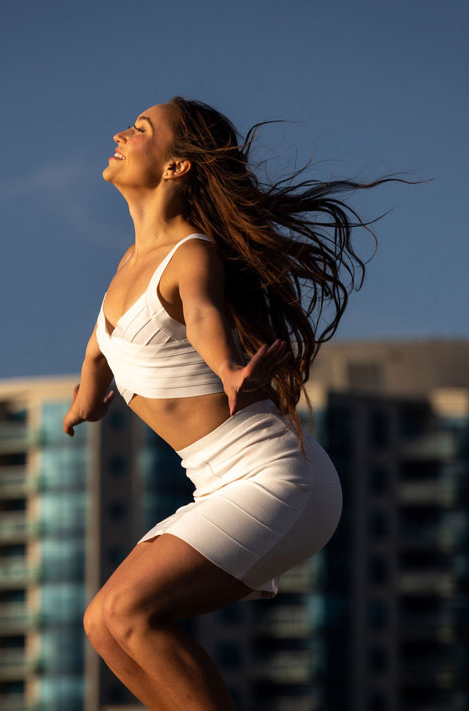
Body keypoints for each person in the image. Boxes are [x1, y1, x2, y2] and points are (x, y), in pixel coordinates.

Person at [63, 97, 399, 711]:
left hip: (275, 479)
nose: (118, 133)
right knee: (104, 627)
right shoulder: (127, 266)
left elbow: (203, 318)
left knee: (127, 612)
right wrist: (87, 395)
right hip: (220, 486)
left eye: (139, 130)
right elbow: (100, 344)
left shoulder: (189, 255)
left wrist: (228, 368)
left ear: (175, 167)